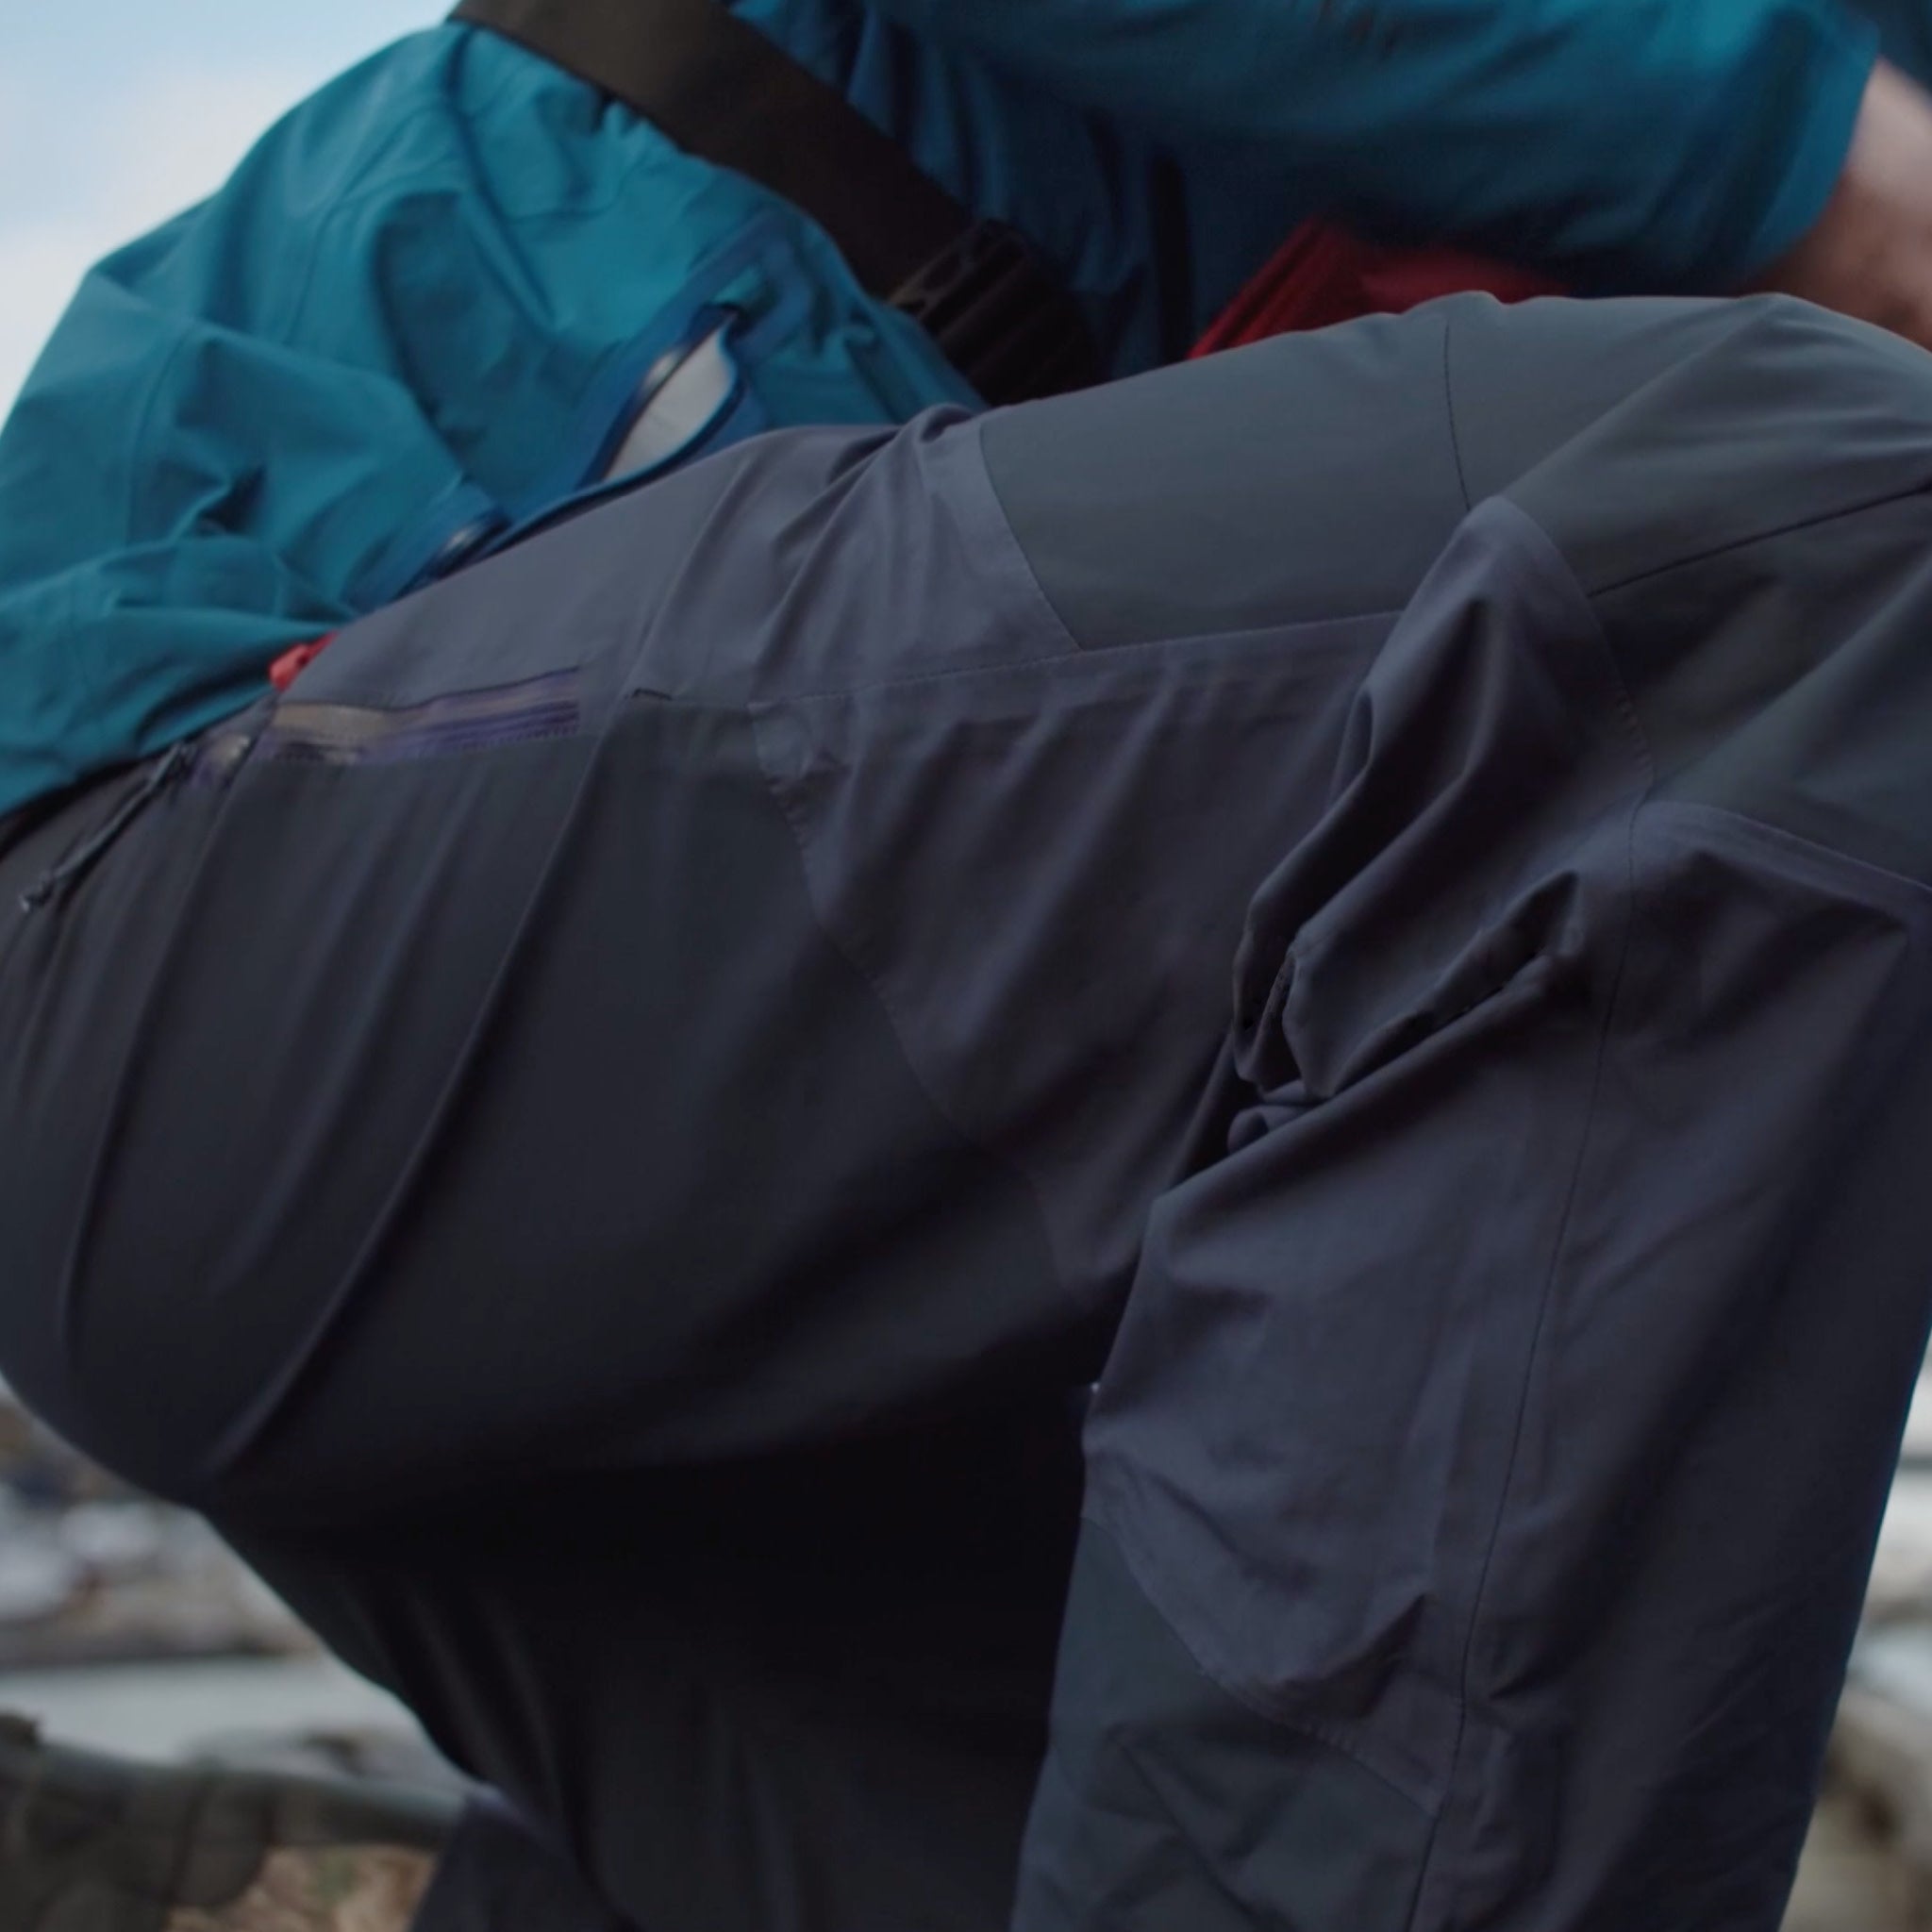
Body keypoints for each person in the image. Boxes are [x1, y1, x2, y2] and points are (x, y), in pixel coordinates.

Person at [8, 7, 1932, 1932]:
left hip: (645, 1212)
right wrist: (1818, 160)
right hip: (211, 846)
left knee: (1099, 1829)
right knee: (1780, 557)